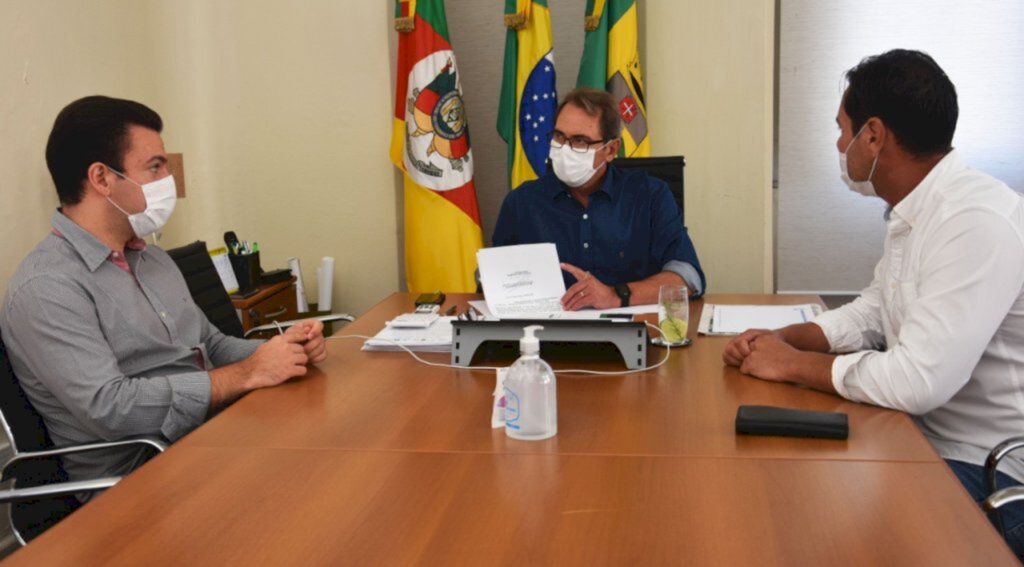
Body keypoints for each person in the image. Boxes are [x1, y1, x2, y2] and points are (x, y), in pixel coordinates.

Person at [723, 49, 1024, 555]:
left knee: (814, 532)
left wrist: (795, 366)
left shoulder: (976, 220)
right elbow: (873, 310)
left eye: (843, 130)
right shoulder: (917, 210)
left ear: (875, 135)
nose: (840, 145)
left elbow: (917, 381)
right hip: (918, 438)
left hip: (989, 470)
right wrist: (781, 338)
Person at [0, 96, 327, 488]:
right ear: (102, 178)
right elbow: (110, 408)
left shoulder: (153, 259)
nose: (168, 181)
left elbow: (210, 345)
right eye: (155, 167)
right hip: (138, 477)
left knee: (325, 453)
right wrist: (247, 374)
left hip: (210, 436)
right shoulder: (47, 287)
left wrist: (281, 349)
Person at [491, 87, 705, 310]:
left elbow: (687, 277)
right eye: (559, 136)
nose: (565, 149)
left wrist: (616, 295)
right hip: (545, 335)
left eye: (580, 141)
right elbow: (493, 278)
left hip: (634, 333)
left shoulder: (650, 195)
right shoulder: (522, 202)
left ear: (611, 149)